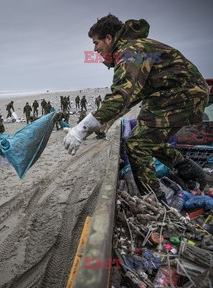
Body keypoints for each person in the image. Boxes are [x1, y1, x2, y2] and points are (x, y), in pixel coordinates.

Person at [64, 14, 209, 201]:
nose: (95, 49)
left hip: (183, 95)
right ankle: (190, 171)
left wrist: (81, 130)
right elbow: (133, 95)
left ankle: (155, 200)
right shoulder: (134, 49)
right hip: (176, 95)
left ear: (109, 38)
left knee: (137, 145)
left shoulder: (131, 51)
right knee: (145, 139)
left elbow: (121, 95)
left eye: (96, 42)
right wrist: (106, 121)